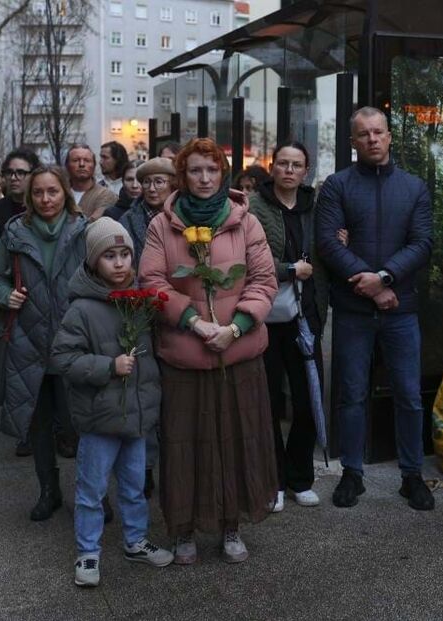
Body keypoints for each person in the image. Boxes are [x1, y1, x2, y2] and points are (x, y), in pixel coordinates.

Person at [138, 137, 278, 564]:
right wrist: (194, 322)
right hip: (185, 352)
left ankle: (230, 524)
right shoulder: (163, 224)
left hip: (237, 354)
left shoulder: (244, 220)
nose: (204, 178)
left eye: (212, 170)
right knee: (185, 444)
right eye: (195, 170)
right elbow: (152, 283)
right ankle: (183, 529)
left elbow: (263, 279)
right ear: (183, 174)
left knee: (237, 440)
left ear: (223, 174)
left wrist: (234, 328)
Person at [315, 106, 435, 511]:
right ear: (353, 142)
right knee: (350, 394)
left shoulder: (414, 187)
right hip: (352, 311)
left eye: (378, 132)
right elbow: (329, 244)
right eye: (363, 134)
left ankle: (412, 475)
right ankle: (352, 474)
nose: (372, 139)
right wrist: (372, 287)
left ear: (389, 136)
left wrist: (383, 279)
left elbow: (422, 244)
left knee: (408, 394)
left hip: (401, 309)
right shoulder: (337, 186)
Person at [52, 217, 174, 587]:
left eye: (125, 255)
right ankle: (88, 552)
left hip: (135, 418)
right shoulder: (82, 309)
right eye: (109, 256)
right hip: (100, 420)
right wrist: (108, 366)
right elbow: (62, 358)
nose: (119, 263)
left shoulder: (139, 303)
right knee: (92, 489)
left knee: (135, 486)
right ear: (93, 262)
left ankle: (135, 541)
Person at [0, 165, 87, 520]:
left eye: (53, 191)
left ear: (65, 194)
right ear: (29, 197)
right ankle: (49, 491)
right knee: (39, 422)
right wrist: (5, 295)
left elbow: (105, 277)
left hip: (74, 341)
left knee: (81, 422)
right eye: (39, 193)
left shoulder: (83, 230)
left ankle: (93, 494)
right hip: (28, 342)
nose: (46, 199)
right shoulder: (14, 232)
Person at [248, 141, 328, 512]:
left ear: (306, 170)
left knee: (308, 398)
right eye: (283, 164)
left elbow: (329, 250)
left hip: (306, 314)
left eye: (297, 164)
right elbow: (247, 262)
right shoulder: (254, 208)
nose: (290, 170)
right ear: (273, 166)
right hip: (267, 314)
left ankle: (300, 478)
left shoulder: (318, 207)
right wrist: (289, 270)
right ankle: (274, 480)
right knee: (268, 401)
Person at [118, 156, 177, 497]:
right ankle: (147, 467)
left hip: (179, 312)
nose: (153, 188)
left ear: (172, 184)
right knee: (145, 395)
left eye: (160, 181)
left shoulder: (182, 216)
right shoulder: (128, 219)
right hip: (141, 314)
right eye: (148, 182)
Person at [0, 148, 40, 238]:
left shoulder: (43, 208)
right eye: (9, 172)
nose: (13, 178)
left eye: (20, 173)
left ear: (34, 175)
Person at [65, 144, 117, 221]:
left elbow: (93, 222)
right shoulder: (61, 193)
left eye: (87, 160)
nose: (82, 164)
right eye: (76, 160)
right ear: (67, 165)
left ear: (94, 165)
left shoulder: (105, 195)